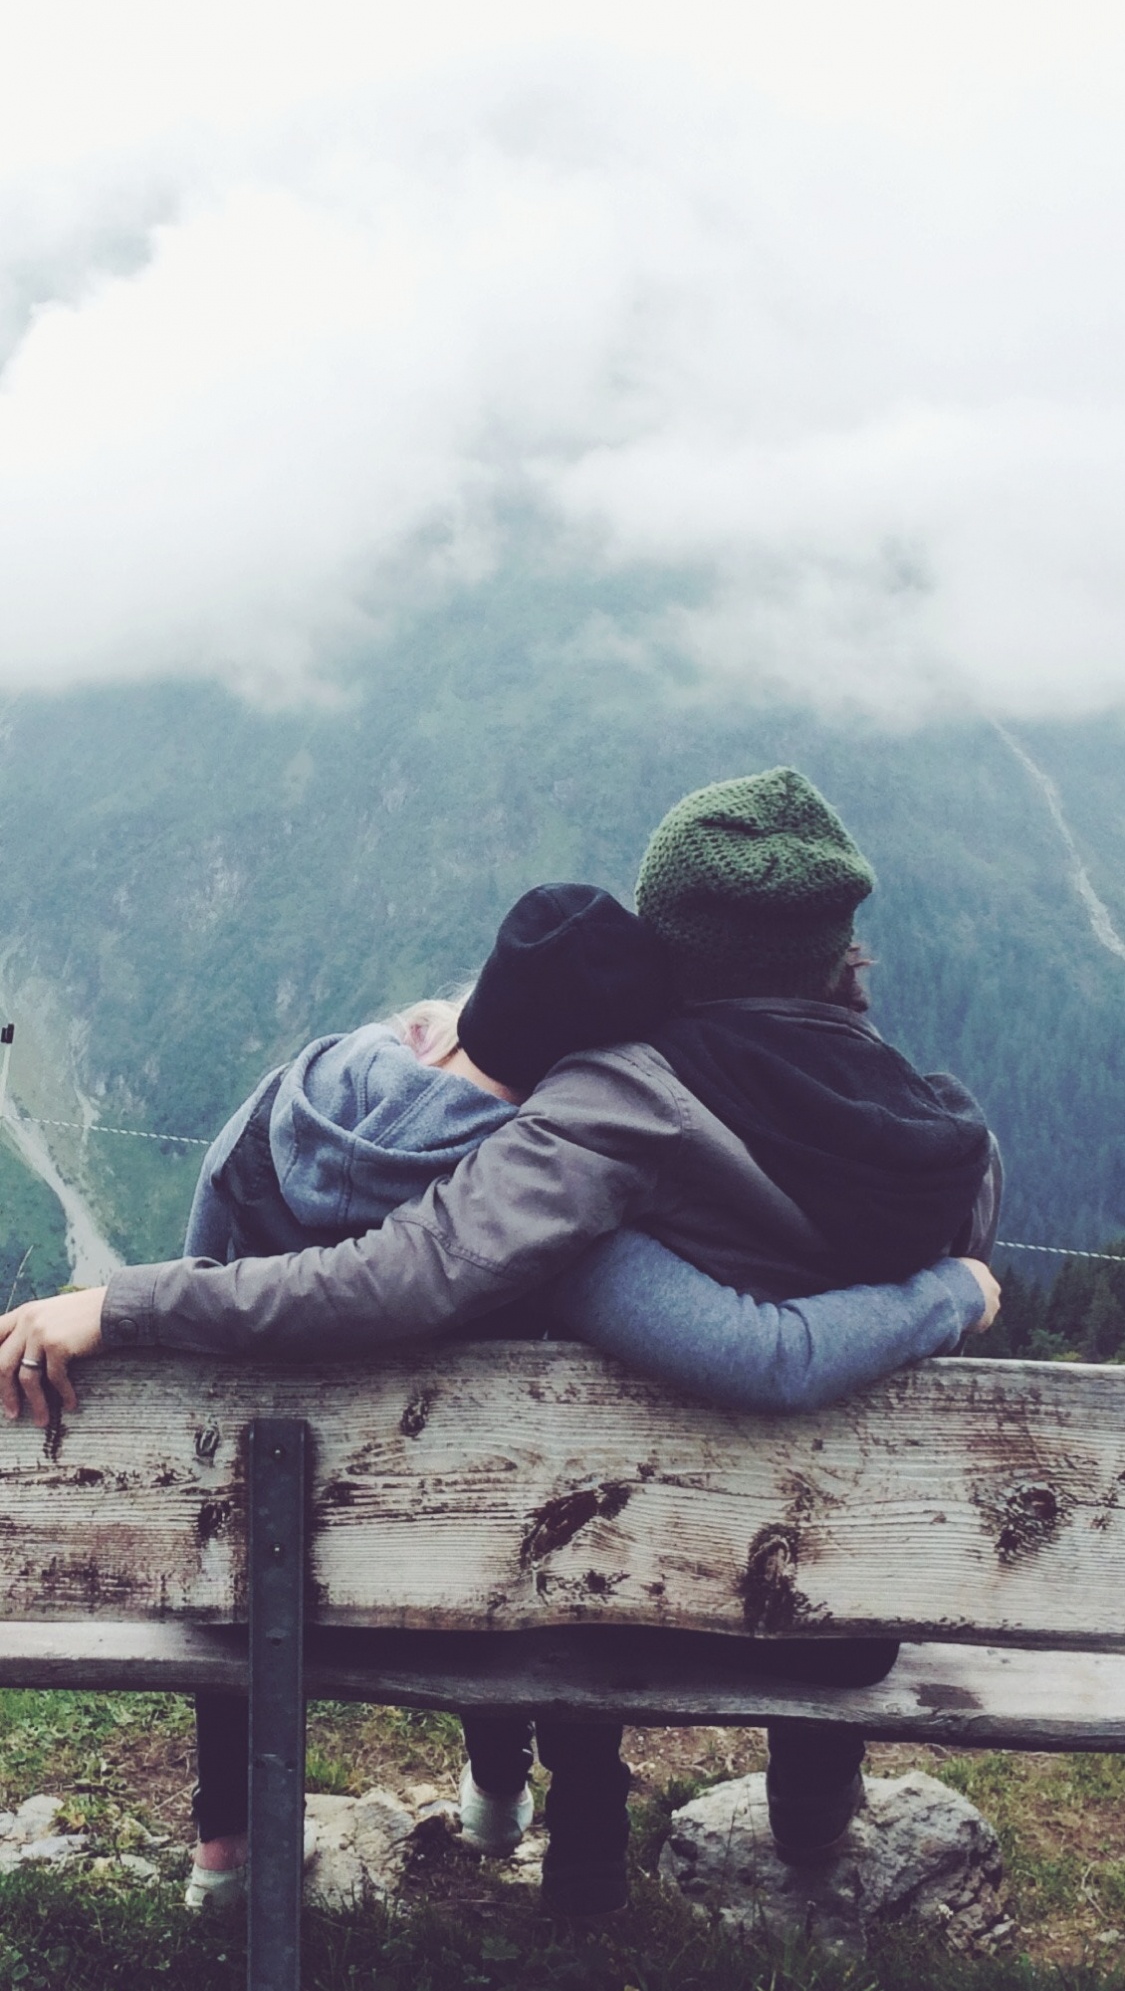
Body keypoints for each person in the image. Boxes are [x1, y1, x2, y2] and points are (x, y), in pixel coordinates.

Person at [0, 772, 1001, 1915]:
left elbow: (415, 1272)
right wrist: (952, 1293)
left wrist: (127, 1303)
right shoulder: (948, 1137)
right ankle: (808, 1807)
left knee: (579, 1520)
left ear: (673, 948)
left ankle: (556, 1831)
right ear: (839, 947)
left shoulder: (619, 1108)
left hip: (637, 1595)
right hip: (847, 1610)